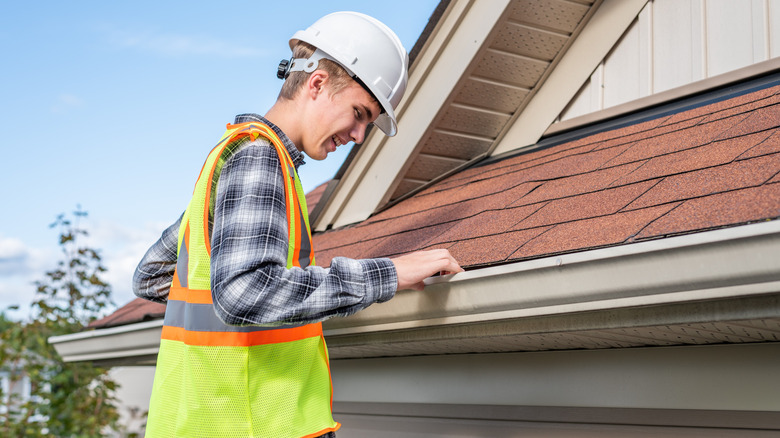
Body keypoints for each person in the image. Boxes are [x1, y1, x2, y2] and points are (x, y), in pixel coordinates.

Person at [132, 11, 463, 438]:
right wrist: (390, 274)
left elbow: (153, 275)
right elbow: (243, 295)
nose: (359, 136)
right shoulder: (260, 159)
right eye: (359, 113)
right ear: (318, 83)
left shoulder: (231, 158)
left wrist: (229, 297)